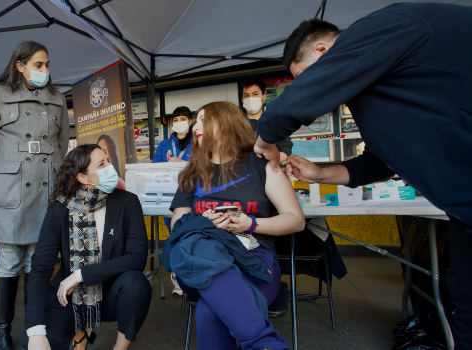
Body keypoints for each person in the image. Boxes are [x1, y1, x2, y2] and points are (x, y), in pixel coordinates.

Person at [252, 4, 472, 348]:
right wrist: (320, 172)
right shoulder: (379, 88)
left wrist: (265, 142)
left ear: (322, 51)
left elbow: (293, 104)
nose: (314, 88)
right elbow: (381, 162)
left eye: (306, 76)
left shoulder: (384, 26)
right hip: (464, 208)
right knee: (462, 293)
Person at [170, 101, 304, 350]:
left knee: (210, 313)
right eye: (195, 121)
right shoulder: (192, 173)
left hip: (253, 258)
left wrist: (250, 224)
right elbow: (178, 224)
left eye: (202, 119)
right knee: (203, 246)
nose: (194, 125)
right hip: (198, 258)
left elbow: (295, 219)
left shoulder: (261, 165)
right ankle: (264, 343)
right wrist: (204, 224)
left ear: (226, 122)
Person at [0, 40, 69, 350]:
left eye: (47, 65)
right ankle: (1, 332)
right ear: (20, 64)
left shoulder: (56, 98)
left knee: (37, 261)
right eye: (38, 65)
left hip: (46, 184)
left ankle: (34, 331)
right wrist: (5, 170)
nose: (44, 70)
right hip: (12, 186)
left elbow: (62, 144)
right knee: (8, 259)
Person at [25, 144, 151, 350]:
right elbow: (40, 268)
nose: (110, 167)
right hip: (69, 297)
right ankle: (80, 336)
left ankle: (120, 348)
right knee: (37, 343)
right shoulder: (60, 209)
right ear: (83, 178)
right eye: (101, 164)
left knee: (136, 284)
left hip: (112, 293)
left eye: (108, 161)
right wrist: (36, 331)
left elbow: (136, 258)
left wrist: (80, 275)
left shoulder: (128, 202)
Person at [152, 106, 194, 296]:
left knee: (191, 236)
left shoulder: (198, 143)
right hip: (168, 198)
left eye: (183, 118)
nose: (179, 122)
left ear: (190, 121)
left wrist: (183, 164)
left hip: (193, 198)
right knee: (173, 235)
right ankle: (177, 278)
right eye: (175, 119)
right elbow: (155, 168)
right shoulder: (164, 145)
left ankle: (192, 275)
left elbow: (205, 165)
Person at [240, 78, 292, 163]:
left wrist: (268, 165)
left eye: (255, 94)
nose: (250, 98)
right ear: (242, 99)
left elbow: (285, 149)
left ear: (264, 96)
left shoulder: (274, 122)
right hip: (244, 173)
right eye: (246, 95)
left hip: (268, 172)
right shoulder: (236, 124)